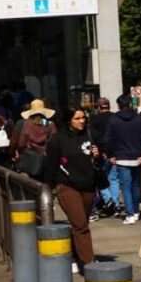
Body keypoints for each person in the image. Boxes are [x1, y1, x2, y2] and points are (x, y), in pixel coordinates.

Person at [45, 106, 101, 272]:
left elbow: (99, 162)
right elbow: (51, 166)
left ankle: (74, 255)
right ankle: (89, 262)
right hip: (67, 185)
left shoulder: (91, 135)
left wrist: (98, 155)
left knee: (79, 224)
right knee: (81, 225)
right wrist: (48, 189)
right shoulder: (57, 139)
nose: (82, 121)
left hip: (89, 185)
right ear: (68, 120)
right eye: (77, 118)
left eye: (83, 117)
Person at [104, 94, 141, 225]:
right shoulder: (139, 119)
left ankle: (129, 214)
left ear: (118, 105)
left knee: (126, 187)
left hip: (121, 157)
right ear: (130, 104)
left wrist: (111, 154)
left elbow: (108, 139)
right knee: (136, 185)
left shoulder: (114, 120)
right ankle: (135, 211)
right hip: (137, 156)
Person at [88, 97, 120, 217]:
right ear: (109, 106)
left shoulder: (94, 120)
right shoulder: (115, 118)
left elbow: (94, 138)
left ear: (98, 107)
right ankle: (115, 204)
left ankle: (107, 201)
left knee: (101, 179)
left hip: (100, 153)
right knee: (113, 179)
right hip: (115, 152)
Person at [17, 99, 57, 178]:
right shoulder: (50, 124)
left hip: (31, 161)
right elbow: (55, 143)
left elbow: (21, 144)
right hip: (47, 160)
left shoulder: (27, 124)